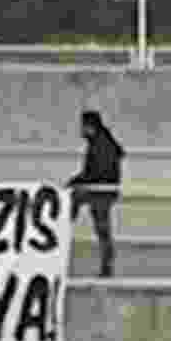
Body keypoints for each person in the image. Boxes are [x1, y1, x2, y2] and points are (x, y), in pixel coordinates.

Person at [66, 110, 126, 278]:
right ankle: (107, 264)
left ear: (90, 127)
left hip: (101, 192)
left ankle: (107, 264)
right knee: (102, 228)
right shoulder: (101, 141)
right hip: (101, 191)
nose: (81, 131)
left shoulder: (100, 144)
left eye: (83, 127)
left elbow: (97, 172)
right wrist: (78, 181)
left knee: (101, 227)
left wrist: (77, 182)